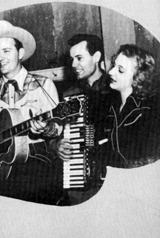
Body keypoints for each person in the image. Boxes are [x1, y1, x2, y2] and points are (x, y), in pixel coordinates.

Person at [0, 20, 64, 205]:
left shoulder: (43, 85)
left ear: (21, 53)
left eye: (7, 51)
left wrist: (46, 128)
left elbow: (58, 128)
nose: (1, 58)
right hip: (0, 172)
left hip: (37, 168)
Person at [49, 34, 117, 205]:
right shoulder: (70, 95)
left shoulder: (116, 89)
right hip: (81, 185)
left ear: (96, 57)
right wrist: (56, 145)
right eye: (72, 59)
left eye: (79, 58)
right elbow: (54, 129)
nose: (73, 65)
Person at [102, 44, 160, 168]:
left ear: (139, 77)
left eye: (120, 70)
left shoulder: (153, 109)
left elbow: (158, 157)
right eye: (114, 65)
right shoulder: (111, 104)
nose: (110, 72)